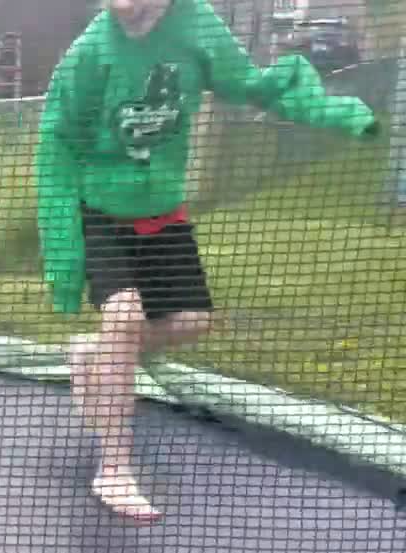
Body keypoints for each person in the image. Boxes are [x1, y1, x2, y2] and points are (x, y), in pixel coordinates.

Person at [35, 0, 380, 525]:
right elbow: (56, 143)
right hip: (100, 208)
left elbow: (251, 85)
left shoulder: (197, 26)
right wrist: (63, 248)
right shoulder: (91, 52)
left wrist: (334, 112)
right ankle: (114, 469)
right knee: (124, 317)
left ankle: (98, 352)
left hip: (163, 211)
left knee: (193, 322)